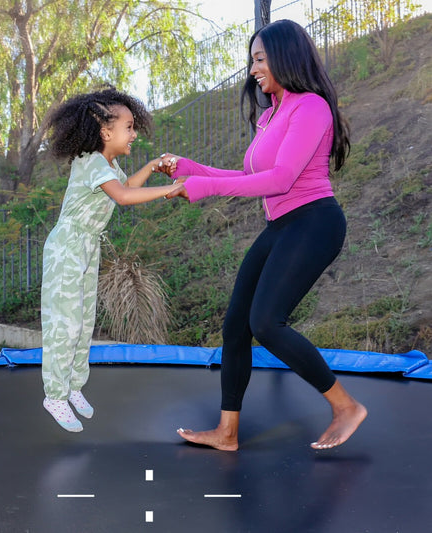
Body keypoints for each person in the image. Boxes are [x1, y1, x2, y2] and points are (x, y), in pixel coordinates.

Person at [163, 19, 367, 450]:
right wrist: (189, 169)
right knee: (236, 326)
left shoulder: (311, 107)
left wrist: (205, 188)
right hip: (282, 226)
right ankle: (227, 433)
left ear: (284, 57)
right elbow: (247, 176)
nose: (253, 69)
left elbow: (281, 178)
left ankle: (345, 406)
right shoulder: (272, 114)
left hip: (314, 222)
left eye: (259, 59)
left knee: (266, 322)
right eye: (252, 60)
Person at [41, 87, 182, 432]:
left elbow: (127, 185)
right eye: (129, 127)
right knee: (64, 322)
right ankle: (54, 395)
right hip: (67, 247)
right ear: (106, 132)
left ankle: (73, 387)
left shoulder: (108, 165)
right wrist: (171, 188)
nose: (134, 134)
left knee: (83, 320)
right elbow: (123, 196)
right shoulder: (90, 162)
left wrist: (151, 167)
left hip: (88, 246)